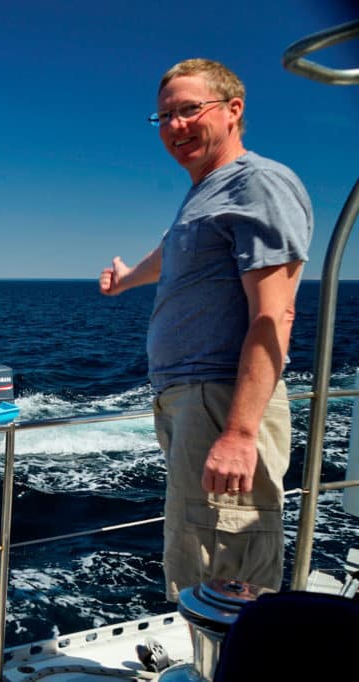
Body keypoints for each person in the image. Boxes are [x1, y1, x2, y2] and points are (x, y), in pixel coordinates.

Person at [99, 59, 312, 601]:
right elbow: (172, 251)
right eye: (165, 116)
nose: (176, 126)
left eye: (190, 109)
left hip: (222, 403)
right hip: (190, 404)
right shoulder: (206, 195)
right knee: (196, 564)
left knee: (226, 576)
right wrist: (126, 280)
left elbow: (274, 315)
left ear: (233, 110)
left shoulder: (257, 183)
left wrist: (240, 434)